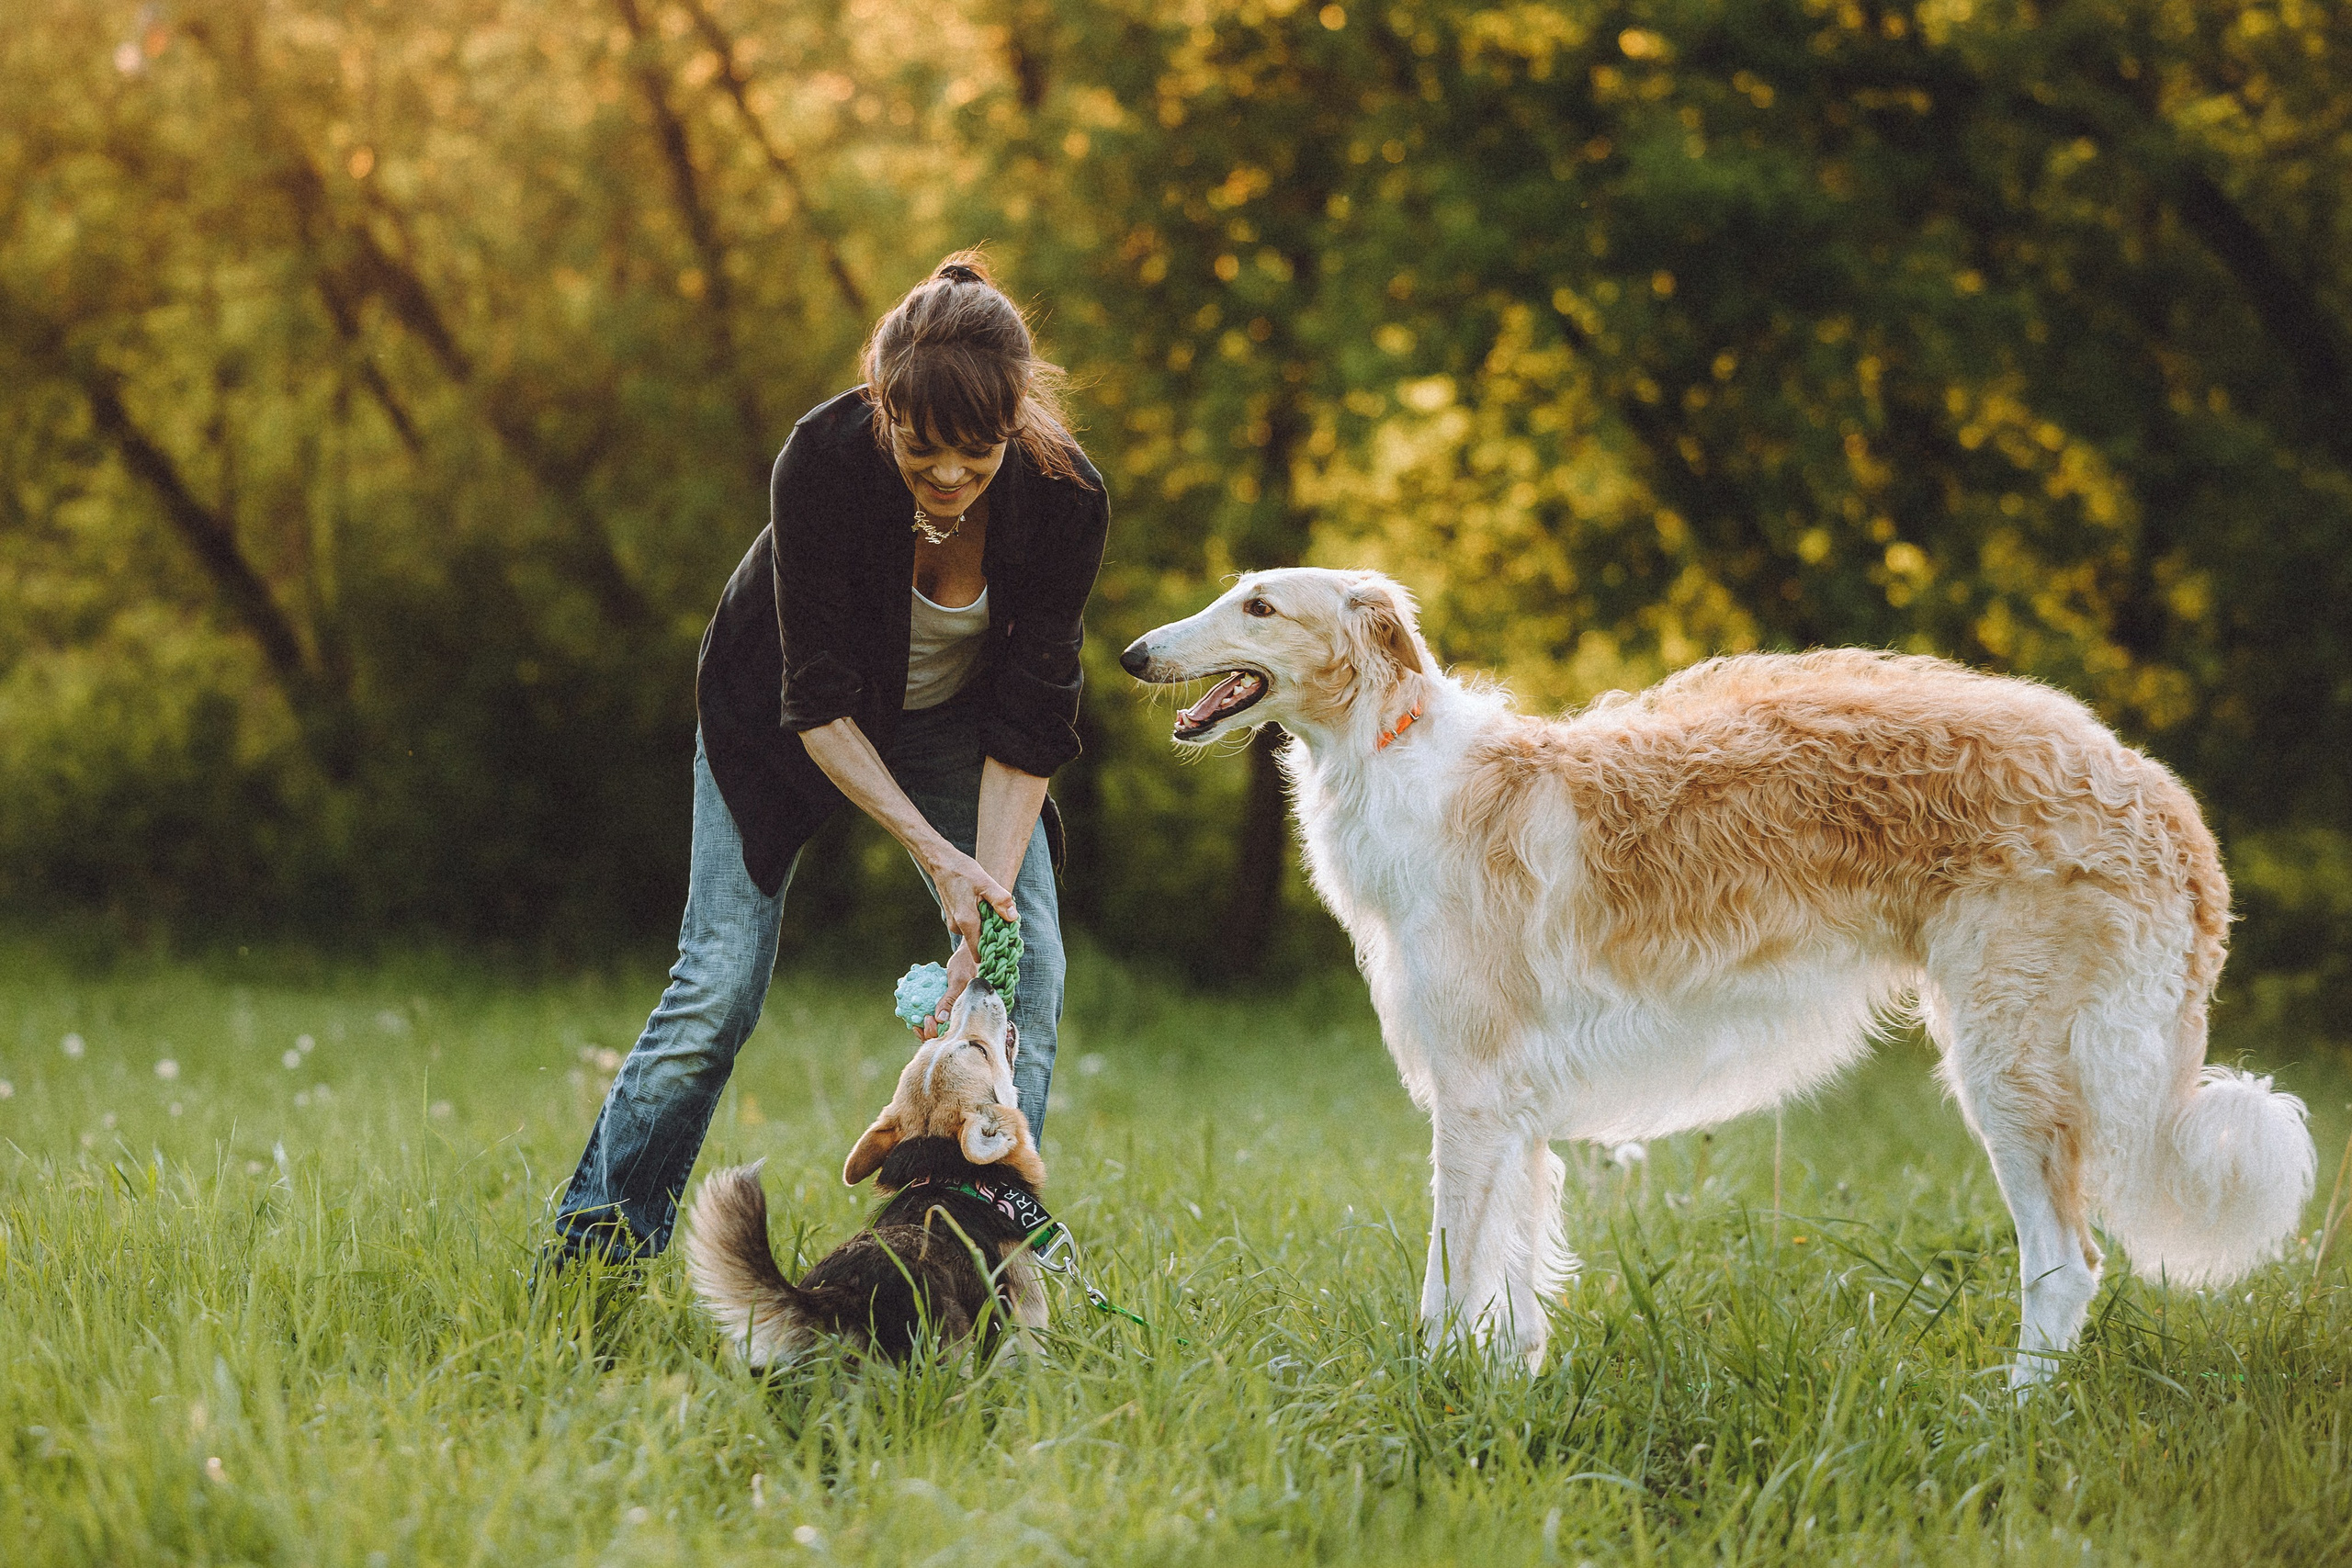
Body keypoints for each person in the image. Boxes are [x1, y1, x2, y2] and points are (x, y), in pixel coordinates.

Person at [548, 252, 1107, 1266]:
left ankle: (975, 1268)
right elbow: (818, 702)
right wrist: (935, 859)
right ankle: (592, 1259)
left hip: (959, 731)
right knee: (717, 988)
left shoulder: (1063, 499)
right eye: (921, 448)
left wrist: (982, 908)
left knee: (1027, 977)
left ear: (1017, 425)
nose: (945, 478)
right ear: (881, 406)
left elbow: (1032, 724)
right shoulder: (820, 460)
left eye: (974, 458)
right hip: (783, 720)